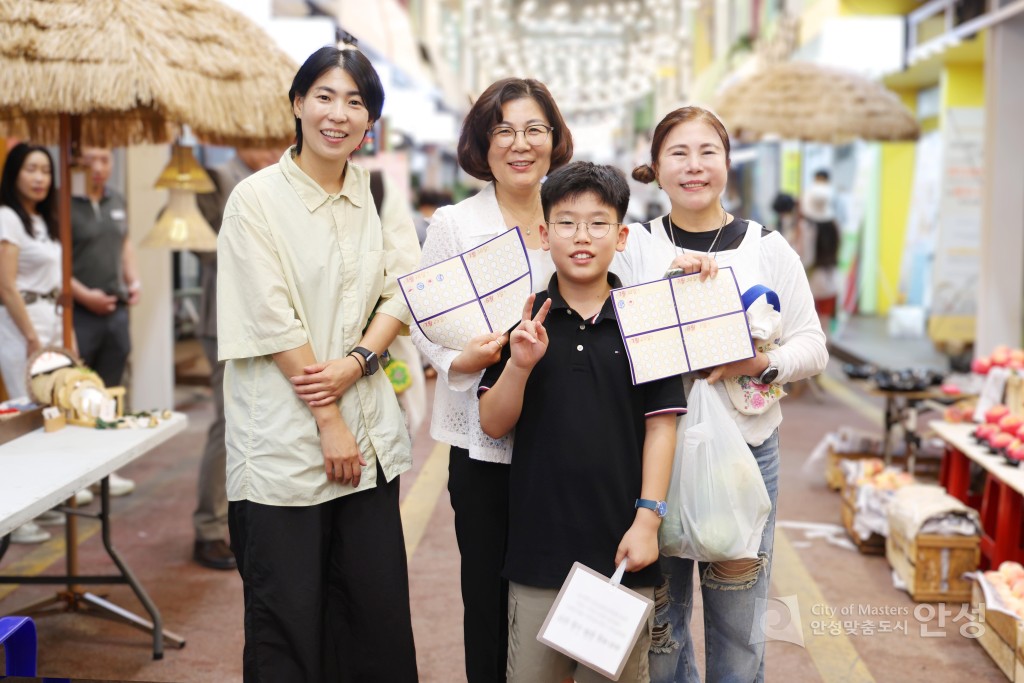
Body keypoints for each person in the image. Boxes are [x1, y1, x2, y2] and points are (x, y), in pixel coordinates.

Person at [217, 46, 419, 681]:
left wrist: (359, 361)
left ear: (370, 120)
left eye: (355, 102)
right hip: (283, 445)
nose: (339, 114)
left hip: (370, 443)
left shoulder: (378, 191)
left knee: (373, 618)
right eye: (325, 97)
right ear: (298, 104)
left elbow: (404, 288)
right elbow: (271, 317)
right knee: (287, 623)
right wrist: (329, 420)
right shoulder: (255, 200)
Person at [617, 106, 828, 683]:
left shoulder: (767, 248)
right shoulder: (634, 246)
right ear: (656, 168)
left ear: (728, 164)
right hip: (652, 459)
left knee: (739, 631)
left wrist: (757, 364)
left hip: (746, 455)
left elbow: (813, 346)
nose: (694, 166)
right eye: (678, 154)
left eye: (707, 152)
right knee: (659, 629)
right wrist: (672, 298)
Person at [478, 161, 686, 682]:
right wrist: (519, 366)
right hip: (537, 553)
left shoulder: (647, 320)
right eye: (567, 223)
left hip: (624, 553)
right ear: (544, 234)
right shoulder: (526, 322)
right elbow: (493, 423)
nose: (582, 237)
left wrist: (648, 521)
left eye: (598, 223)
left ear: (621, 236)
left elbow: (662, 427)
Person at [410, 77, 573, 683]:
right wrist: (459, 360)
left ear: (554, 139)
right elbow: (423, 320)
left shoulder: (572, 214)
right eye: (503, 130)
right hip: (485, 443)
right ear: (483, 142)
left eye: (533, 129)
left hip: (565, 438)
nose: (519, 144)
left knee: (561, 596)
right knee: (487, 595)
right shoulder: (456, 224)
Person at [191, 146, 281, 570]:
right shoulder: (216, 178)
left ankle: (250, 521)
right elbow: (203, 246)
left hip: (274, 320)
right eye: (259, 140)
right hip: (226, 320)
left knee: (265, 419)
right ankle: (208, 528)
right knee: (227, 421)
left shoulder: (284, 177)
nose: (268, 148)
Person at [0, 143, 64, 545]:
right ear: (14, 174)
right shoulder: (7, 217)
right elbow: (6, 285)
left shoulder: (43, 219)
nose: (40, 178)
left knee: (47, 412)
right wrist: (30, 335)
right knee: (22, 414)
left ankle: (38, 501)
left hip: (49, 318)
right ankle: (15, 516)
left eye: (45, 170)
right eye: (31, 169)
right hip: (20, 323)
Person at [71, 146, 139, 497]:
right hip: (78, 313)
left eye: (104, 160)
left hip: (116, 312)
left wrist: (133, 279)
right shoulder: (64, 204)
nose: (98, 167)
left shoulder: (117, 200)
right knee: (77, 392)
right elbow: (55, 260)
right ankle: (75, 477)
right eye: (90, 160)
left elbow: (125, 243)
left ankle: (106, 473)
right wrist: (85, 296)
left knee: (110, 391)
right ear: (77, 162)